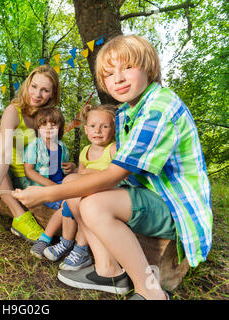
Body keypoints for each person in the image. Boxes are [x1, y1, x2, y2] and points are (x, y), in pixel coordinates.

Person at [13, 35, 213, 300]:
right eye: (108, 73)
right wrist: (69, 184)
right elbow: (117, 173)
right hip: (147, 193)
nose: (117, 78)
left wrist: (46, 194)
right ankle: (108, 270)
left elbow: (115, 175)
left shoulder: (159, 108)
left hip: (174, 206)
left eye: (127, 67)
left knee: (94, 204)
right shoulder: (128, 112)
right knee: (74, 184)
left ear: (149, 67)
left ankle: (150, 291)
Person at [0, 64, 61, 243]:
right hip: (18, 177)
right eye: (34, 87)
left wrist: (63, 163)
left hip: (41, 175)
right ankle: (20, 217)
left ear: (52, 94)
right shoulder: (13, 112)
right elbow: (5, 152)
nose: (37, 94)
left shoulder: (47, 116)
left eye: (45, 90)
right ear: (27, 85)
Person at [30, 104, 117, 274]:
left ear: (113, 130)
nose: (97, 131)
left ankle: (81, 249)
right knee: (68, 204)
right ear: (86, 129)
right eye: (93, 126)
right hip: (84, 191)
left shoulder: (112, 149)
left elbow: (115, 175)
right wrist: (75, 169)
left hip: (103, 194)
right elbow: (81, 173)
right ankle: (65, 242)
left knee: (83, 206)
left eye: (104, 126)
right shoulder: (85, 150)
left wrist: (82, 173)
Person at [23, 107, 77, 210]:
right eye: (44, 124)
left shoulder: (62, 147)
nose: (49, 127)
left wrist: (72, 166)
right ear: (38, 127)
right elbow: (28, 171)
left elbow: (64, 168)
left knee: (80, 196)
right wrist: (52, 186)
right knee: (66, 204)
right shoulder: (34, 146)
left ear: (59, 127)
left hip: (62, 184)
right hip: (42, 188)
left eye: (53, 124)